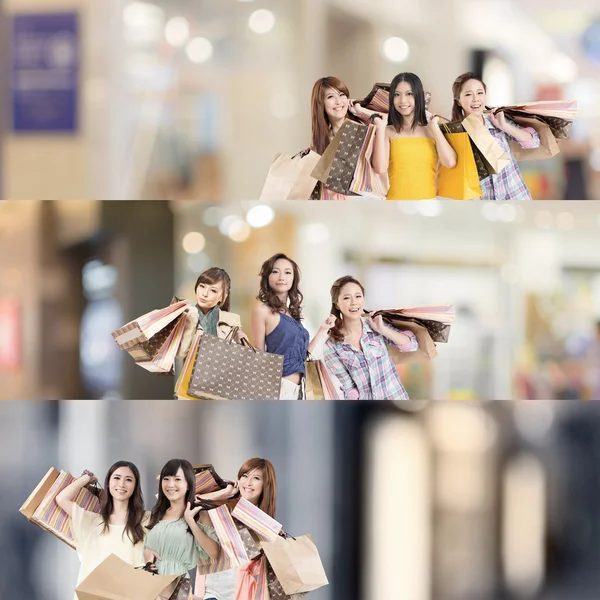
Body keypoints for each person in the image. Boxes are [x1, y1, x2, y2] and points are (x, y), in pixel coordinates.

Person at [56, 461, 147, 600]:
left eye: (128, 479)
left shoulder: (146, 519)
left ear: (135, 486)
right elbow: (62, 498)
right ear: (108, 483)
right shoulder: (92, 522)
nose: (121, 484)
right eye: (116, 478)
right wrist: (87, 478)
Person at [250, 253, 335, 399]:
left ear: (293, 279)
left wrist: (322, 330)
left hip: (300, 388)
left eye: (287, 272)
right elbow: (259, 354)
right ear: (267, 277)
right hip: (278, 388)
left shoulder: (291, 314)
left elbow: (300, 356)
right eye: (275, 271)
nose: (281, 277)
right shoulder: (262, 310)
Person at [323, 275, 418, 399]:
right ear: (337, 304)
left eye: (358, 296)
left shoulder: (375, 324)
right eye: (347, 298)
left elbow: (411, 346)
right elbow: (351, 390)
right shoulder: (331, 346)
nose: (354, 302)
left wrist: (383, 330)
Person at [451, 72, 540, 200]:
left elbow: (534, 141)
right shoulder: (456, 134)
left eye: (480, 93)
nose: (475, 99)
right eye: (469, 94)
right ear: (458, 100)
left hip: (517, 198)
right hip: (487, 208)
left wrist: (505, 127)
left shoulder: (495, 120)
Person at [197, 458, 277, 600]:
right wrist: (224, 494)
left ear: (266, 485)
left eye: (256, 478)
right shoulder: (220, 510)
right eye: (244, 476)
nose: (248, 482)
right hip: (212, 594)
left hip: (241, 594)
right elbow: (192, 506)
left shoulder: (266, 526)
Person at [369, 72, 457, 200]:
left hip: (428, 207)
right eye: (397, 95)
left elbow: (449, 162)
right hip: (396, 207)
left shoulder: (432, 130)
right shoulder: (388, 131)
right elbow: (380, 168)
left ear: (419, 96)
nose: (403, 100)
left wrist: (435, 129)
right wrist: (381, 127)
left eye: (409, 94)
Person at [144, 459, 220, 580]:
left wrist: (190, 521)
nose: (170, 484)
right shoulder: (157, 514)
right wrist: (148, 557)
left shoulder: (199, 514)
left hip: (177, 583)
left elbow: (214, 553)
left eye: (177, 479)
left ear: (189, 484)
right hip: (152, 583)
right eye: (166, 479)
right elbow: (149, 549)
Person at [309, 76, 365, 200]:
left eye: (341, 95)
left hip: (363, 201)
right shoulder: (320, 141)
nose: (338, 102)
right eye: (330, 97)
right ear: (321, 103)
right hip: (333, 206)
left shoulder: (363, 130)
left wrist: (361, 113)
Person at [177, 267, 246, 361]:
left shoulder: (232, 320)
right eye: (202, 286)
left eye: (213, 290)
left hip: (222, 374)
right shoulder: (186, 316)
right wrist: (191, 321)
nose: (204, 293)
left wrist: (241, 344)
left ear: (222, 297)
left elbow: (239, 360)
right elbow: (181, 354)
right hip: (192, 374)